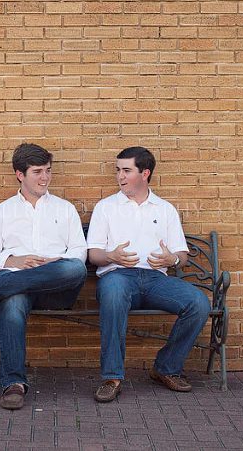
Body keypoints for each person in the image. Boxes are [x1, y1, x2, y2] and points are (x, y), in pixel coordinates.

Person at [87, 146, 210, 402]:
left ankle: (166, 367)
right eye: (117, 170)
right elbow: (93, 255)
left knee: (198, 303)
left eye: (126, 171)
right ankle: (112, 376)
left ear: (145, 173)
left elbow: (181, 256)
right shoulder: (106, 207)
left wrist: (172, 259)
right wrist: (111, 256)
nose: (120, 176)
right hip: (118, 277)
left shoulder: (164, 209)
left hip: (156, 280)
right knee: (112, 294)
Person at [0, 143, 87, 410]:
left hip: (56, 289)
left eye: (47, 171)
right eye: (37, 172)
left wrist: (53, 262)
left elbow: (79, 253)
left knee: (75, 268)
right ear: (19, 174)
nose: (45, 177)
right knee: (11, 306)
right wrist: (15, 261)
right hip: (18, 289)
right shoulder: (3, 211)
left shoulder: (64, 209)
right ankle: (13, 384)